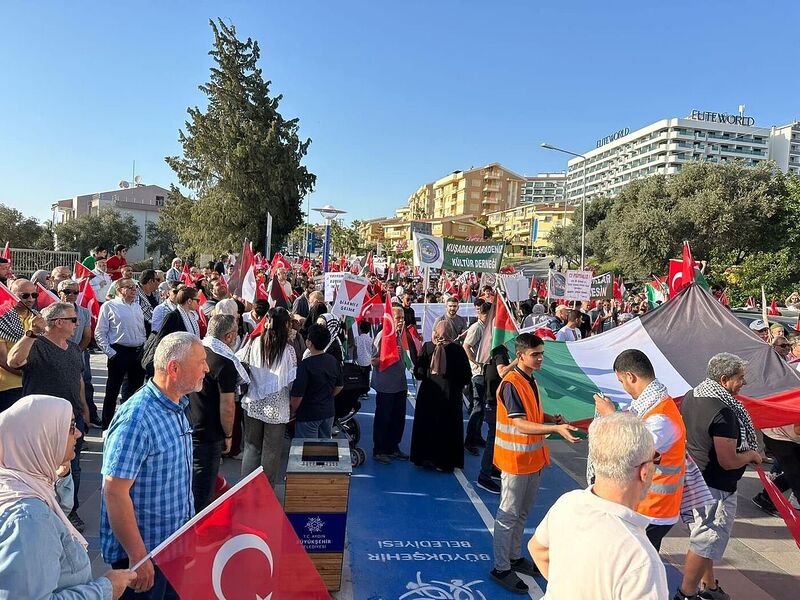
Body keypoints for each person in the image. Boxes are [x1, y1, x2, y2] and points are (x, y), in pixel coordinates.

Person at [101, 332, 208, 599]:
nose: (207, 368)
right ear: (174, 368)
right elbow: (114, 491)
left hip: (171, 549)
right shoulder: (137, 418)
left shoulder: (176, 406)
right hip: (143, 559)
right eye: (201, 361)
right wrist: (138, 556)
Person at [0, 395, 137, 599]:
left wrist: (61, 479)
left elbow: (51, 529)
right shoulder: (29, 518)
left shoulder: (21, 483)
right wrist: (106, 589)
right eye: (71, 427)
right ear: (42, 437)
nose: (80, 434)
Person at [528, 412, 669, 599]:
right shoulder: (641, 559)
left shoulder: (567, 503)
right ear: (644, 471)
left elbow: (537, 549)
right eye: (655, 458)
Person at [490, 333, 580, 595]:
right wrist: (554, 428)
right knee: (508, 515)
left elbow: (530, 413)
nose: (540, 358)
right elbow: (519, 423)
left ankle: (515, 556)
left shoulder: (529, 380)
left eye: (541, 353)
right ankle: (501, 567)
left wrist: (550, 417)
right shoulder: (511, 384)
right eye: (535, 354)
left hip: (531, 460)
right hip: (515, 460)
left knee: (522, 513)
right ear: (520, 356)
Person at [676, 353, 762, 600]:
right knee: (706, 540)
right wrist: (750, 456)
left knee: (705, 539)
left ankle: (709, 586)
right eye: (740, 378)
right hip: (716, 486)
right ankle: (687, 594)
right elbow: (728, 460)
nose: (743, 382)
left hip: (696, 478)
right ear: (724, 379)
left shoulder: (694, 394)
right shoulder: (724, 411)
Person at [8, 302, 90, 532]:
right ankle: (43, 510)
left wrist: (84, 405)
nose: (77, 324)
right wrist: (31, 334)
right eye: (73, 320)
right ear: (58, 322)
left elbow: (78, 379)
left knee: (72, 467)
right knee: (42, 469)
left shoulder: (73, 349)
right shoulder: (37, 345)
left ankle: (70, 512)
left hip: (71, 420)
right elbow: (14, 360)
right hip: (42, 424)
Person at [593, 349, 687, 552]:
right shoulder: (653, 405)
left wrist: (610, 415)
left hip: (652, 509)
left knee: (634, 567)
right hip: (648, 506)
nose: (624, 387)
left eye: (621, 381)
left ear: (630, 376)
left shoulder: (660, 418)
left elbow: (628, 449)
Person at [237, 308, 297, 485]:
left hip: (253, 401)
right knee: (271, 451)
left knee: (251, 447)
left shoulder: (253, 342)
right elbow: (290, 381)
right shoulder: (288, 350)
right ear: (285, 325)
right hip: (277, 407)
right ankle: (265, 490)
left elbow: (242, 364)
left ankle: (245, 488)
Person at [189, 315, 242, 509]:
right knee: (203, 493)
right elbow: (227, 405)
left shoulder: (193, 352)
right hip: (209, 434)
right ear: (228, 336)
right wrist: (228, 434)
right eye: (236, 334)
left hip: (187, 426)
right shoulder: (225, 362)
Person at [410, 320, 472, 473]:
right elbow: (466, 376)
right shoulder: (457, 350)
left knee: (427, 426)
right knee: (447, 429)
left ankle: (424, 457)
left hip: (429, 396)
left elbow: (418, 373)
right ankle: (444, 462)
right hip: (450, 397)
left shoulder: (428, 347)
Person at [96, 278, 147, 429]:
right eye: (129, 287)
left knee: (135, 391)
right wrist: (111, 353)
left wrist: (143, 344)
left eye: (135, 287)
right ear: (119, 290)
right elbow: (100, 332)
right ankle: (107, 425)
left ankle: (128, 423)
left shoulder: (137, 306)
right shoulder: (109, 306)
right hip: (119, 352)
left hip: (137, 352)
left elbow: (141, 329)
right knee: (112, 390)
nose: (133, 290)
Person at [370, 306, 411, 464]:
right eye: (398, 318)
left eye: (402, 318)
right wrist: (388, 356)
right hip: (386, 386)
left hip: (400, 384)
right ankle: (379, 450)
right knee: (383, 418)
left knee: (398, 418)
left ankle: (393, 447)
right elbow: (373, 360)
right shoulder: (382, 335)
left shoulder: (400, 335)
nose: (401, 321)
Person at [58, 278, 100, 428]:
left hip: (78, 355)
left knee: (84, 387)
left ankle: (83, 424)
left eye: (76, 292)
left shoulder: (83, 312)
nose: (72, 295)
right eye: (68, 291)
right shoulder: (51, 311)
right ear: (59, 292)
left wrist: (75, 352)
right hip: (56, 357)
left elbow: (87, 336)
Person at [290, 324, 343, 439]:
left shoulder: (305, 365)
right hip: (328, 412)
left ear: (309, 343)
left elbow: (297, 395)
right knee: (324, 449)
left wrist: (292, 411)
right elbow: (339, 386)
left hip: (308, 414)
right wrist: (326, 395)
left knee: (307, 451)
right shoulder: (333, 360)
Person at [477, 344, 515, 494]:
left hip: (498, 400)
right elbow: (502, 371)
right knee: (493, 439)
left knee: (497, 438)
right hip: (494, 401)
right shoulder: (499, 350)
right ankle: (484, 476)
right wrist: (517, 361)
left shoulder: (502, 350)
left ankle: (492, 468)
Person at [0, 279, 38, 412]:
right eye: (25, 295)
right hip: (9, 386)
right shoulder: (2, 318)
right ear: (12, 294)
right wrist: (28, 374)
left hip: (34, 385)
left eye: (34, 295)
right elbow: (2, 359)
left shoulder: (37, 318)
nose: (31, 299)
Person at [752, 423, 800, 516]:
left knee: (794, 473)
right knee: (795, 475)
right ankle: (766, 498)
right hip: (779, 437)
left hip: (790, 437)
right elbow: (797, 429)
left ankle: (766, 498)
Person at [463, 301, 491, 455]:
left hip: (485, 371)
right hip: (478, 372)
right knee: (478, 406)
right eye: (487, 315)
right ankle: (469, 439)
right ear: (481, 314)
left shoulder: (487, 328)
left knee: (482, 407)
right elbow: (466, 346)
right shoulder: (476, 328)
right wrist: (476, 362)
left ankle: (477, 435)